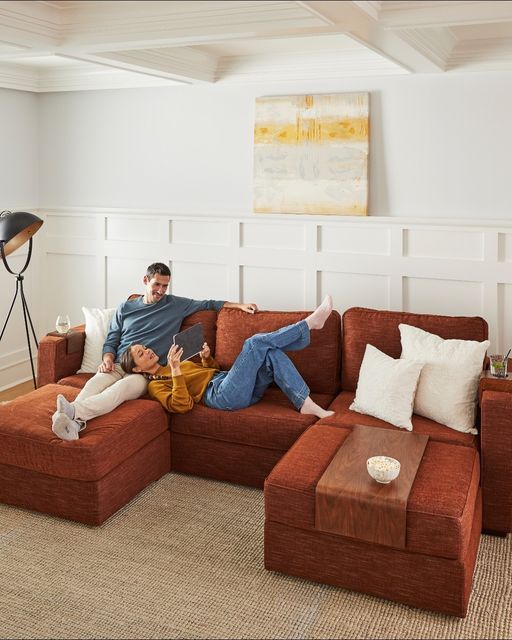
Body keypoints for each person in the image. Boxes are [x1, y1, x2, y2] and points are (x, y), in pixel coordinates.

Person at [52, 262, 258, 441]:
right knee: (94, 384)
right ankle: (73, 422)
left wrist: (240, 305)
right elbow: (112, 339)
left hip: (144, 373)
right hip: (119, 363)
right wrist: (107, 359)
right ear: (145, 280)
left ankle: (74, 412)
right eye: (156, 284)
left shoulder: (176, 305)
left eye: (165, 286)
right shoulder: (126, 307)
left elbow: (210, 303)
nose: (160, 290)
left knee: (119, 391)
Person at [120, 295, 335, 419]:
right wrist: (176, 370)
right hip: (221, 396)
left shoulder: (171, 360)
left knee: (271, 352)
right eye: (141, 353)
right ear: (138, 369)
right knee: (254, 342)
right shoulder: (155, 386)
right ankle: (308, 325)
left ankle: (304, 402)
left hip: (230, 382)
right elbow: (182, 405)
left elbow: (211, 370)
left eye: (144, 347)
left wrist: (205, 358)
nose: (147, 350)